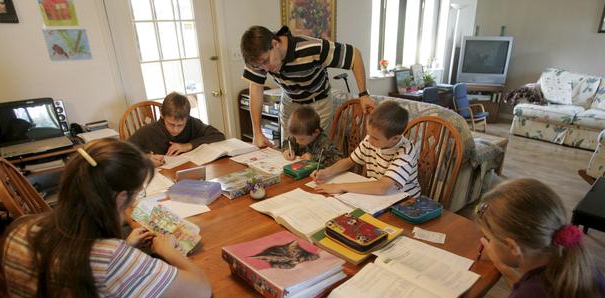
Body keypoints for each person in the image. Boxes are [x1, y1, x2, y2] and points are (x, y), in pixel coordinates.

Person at [0, 138, 226, 298]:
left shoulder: (20, 230)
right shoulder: (111, 258)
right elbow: (201, 289)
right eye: (136, 194)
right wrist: (169, 251)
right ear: (120, 199)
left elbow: (83, 270)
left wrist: (126, 247)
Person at [430, 178, 605, 298]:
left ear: (513, 247)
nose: (487, 242)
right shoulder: (582, 267)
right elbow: (532, 295)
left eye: (490, 238)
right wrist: (503, 265)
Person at [240, 25, 376, 148]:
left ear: (274, 44)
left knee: (316, 152)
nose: (265, 68)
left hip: (318, 102)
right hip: (290, 101)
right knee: (289, 150)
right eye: (259, 66)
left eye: (265, 61)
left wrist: (363, 94)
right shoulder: (257, 59)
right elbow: (256, 89)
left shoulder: (312, 47)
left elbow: (355, 56)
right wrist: (257, 132)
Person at [312, 101, 420, 197]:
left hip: (405, 202)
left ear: (395, 138)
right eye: (369, 134)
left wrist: (339, 186)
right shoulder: (371, 139)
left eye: (375, 138)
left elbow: (381, 187)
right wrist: (326, 172)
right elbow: (349, 161)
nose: (370, 140)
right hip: (379, 196)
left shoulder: (406, 151)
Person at [129, 92, 225, 166]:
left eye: (180, 125)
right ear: (162, 115)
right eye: (171, 124)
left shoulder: (192, 123)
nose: (175, 130)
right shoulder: (148, 131)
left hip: (188, 170)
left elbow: (218, 135)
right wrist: (145, 158)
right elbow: (121, 154)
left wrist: (187, 146)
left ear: (187, 118)